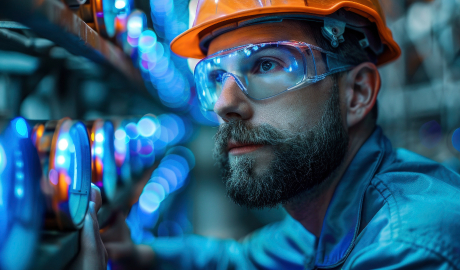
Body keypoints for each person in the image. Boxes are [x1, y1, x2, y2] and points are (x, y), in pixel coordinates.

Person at [74, 0, 460, 269]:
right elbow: (238, 262)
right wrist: (137, 256)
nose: (225, 104)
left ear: (356, 94)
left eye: (267, 63)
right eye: (214, 77)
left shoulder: (405, 248)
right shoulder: (326, 216)